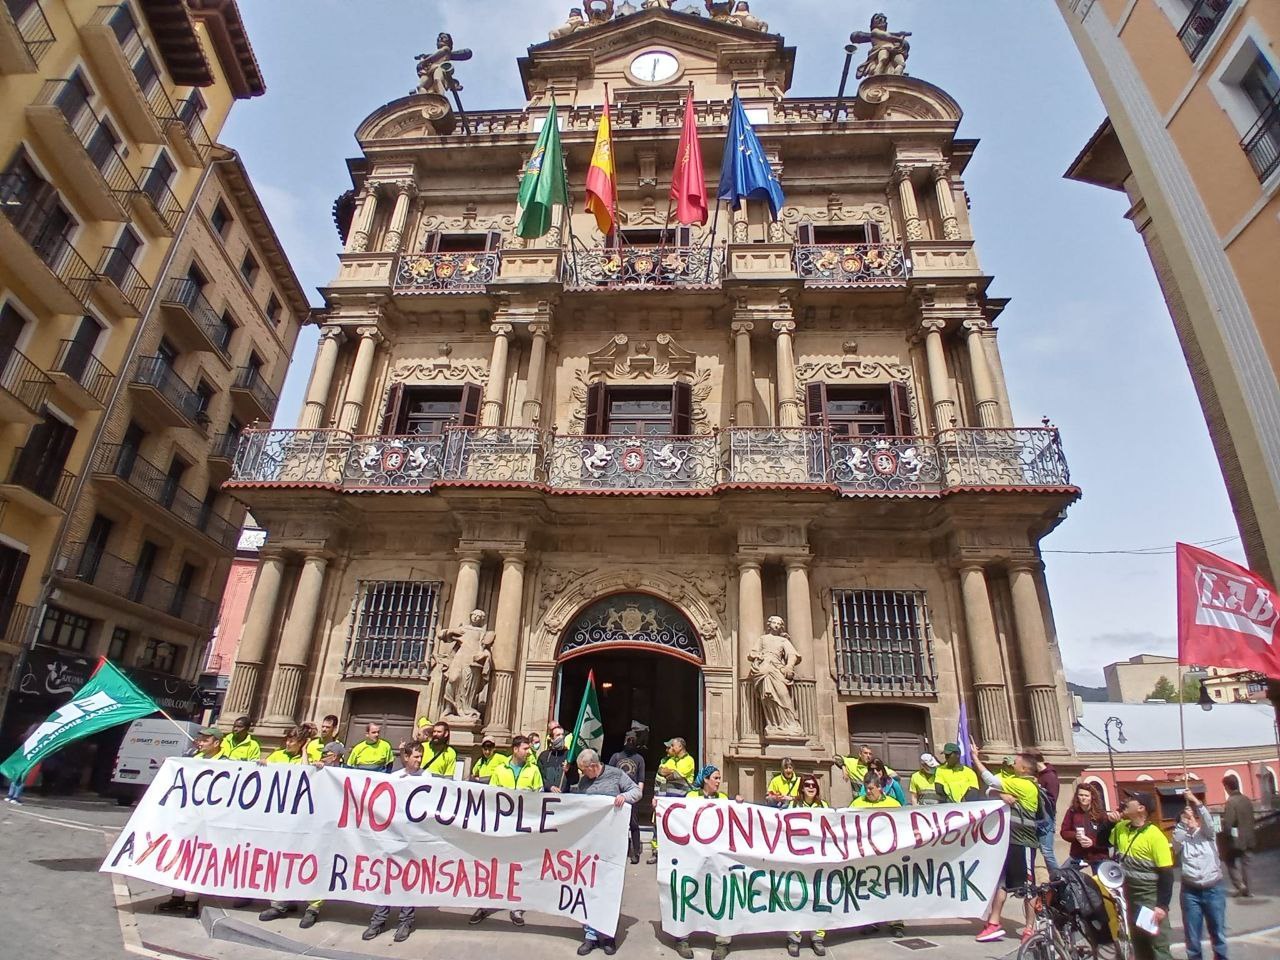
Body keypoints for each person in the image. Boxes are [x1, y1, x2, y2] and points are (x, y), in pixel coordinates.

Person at [261, 741, 346, 928]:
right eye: (322, 753)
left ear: (336, 757)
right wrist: (305, 752)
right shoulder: (316, 770)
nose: (322, 757)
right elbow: (301, 775)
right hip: (302, 825)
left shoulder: (342, 774)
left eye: (327, 754)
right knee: (288, 862)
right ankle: (280, 904)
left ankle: (313, 908)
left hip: (325, 829)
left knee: (317, 867)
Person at [570, 749, 641, 956]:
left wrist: (623, 797)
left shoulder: (616, 774)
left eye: (584, 770)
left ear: (593, 766)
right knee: (588, 888)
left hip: (612, 845)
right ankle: (590, 936)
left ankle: (608, 934)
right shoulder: (585, 781)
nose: (583, 774)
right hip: (590, 844)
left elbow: (636, 792)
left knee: (609, 888)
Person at [969, 744, 1039, 944]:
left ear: (1024, 769)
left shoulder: (1024, 785)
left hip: (1024, 843)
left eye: (1015, 763)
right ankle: (993, 923)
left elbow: (990, 781)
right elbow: (990, 791)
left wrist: (975, 758)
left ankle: (1030, 929)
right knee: (1002, 882)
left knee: (1028, 886)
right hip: (1008, 842)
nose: (1012, 764)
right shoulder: (1016, 782)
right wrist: (1000, 794)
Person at [472, 736, 542, 927]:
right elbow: (491, 796)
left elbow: (539, 797)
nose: (528, 751)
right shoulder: (500, 770)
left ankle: (516, 906)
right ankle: (485, 904)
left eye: (529, 748)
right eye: (525, 748)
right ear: (515, 749)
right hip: (501, 826)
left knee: (519, 866)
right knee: (494, 864)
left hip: (523, 827)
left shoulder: (533, 770)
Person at [154, 727, 224, 916]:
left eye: (205, 740)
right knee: (179, 855)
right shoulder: (193, 758)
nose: (200, 743)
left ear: (216, 743)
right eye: (200, 739)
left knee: (197, 858)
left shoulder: (225, 763)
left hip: (207, 820)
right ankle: (177, 895)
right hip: (187, 817)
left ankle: (192, 900)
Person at [362, 743, 426, 943]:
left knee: (409, 879)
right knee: (387, 877)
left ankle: (405, 921)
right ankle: (378, 919)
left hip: (414, 837)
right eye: (416, 756)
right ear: (406, 757)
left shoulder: (427, 777)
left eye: (421, 756)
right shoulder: (394, 778)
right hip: (393, 835)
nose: (419, 760)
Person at [1109, 790, 1174, 960]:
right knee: (1140, 945)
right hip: (1131, 898)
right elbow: (1101, 842)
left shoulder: (1155, 835)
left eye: (1130, 799)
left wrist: (1162, 905)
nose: (1125, 801)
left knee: (1158, 947)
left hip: (1149, 899)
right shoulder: (1121, 828)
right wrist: (1109, 823)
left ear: (1141, 808)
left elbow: (1167, 874)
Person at [1173, 790, 1228, 960]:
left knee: (1218, 931)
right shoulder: (1182, 841)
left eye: (1192, 818)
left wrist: (1195, 801)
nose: (1190, 821)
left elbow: (1209, 822)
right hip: (1191, 892)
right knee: (1192, 936)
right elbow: (1176, 840)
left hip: (1213, 888)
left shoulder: (1207, 835)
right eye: (1186, 819)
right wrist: (1182, 822)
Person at [787, 775, 830, 956]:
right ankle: (794, 937)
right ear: (802, 788)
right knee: (796, 896)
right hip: (798, 858)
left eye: (814, 785)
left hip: (818, 858)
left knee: (819, 897)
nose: (811, 787)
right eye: (807, 785)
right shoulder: (793, 805)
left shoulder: (824, 806)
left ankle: (817, 936)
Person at [650, 737, 697, 863]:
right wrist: (671, 772)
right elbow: (661, 771)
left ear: (680, 747)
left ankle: (677, 853)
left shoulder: (689, 760)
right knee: (659, 826)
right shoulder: (669, 759)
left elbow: (676, 775)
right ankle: (656, 852)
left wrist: (671, 773)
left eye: (672, 746)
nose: (669, 748)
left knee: (678, 827)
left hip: (680, 801)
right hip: (665, 799)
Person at [608, 732, 646, 863]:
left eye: (633, 740)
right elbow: (608, 775)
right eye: (628, 740)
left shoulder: (639, 759)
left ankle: (636, 852)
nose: (630, 742)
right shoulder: (616, 757)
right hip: (616, 794)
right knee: (616, 824)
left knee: (633, 824)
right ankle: (617, 851)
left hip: (631, 795)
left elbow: (641, 779)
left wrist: (639, 794)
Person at [1060, 781, 1112, 872]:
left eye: (1086, 796)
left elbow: (1107, 837)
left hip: (1098, 854)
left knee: (1101, 879)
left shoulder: (1101, 814)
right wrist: (1076, 836)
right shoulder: (1072, 811)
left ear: (1092, 797)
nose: (1083, 798)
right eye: (1081, 795)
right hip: (1078, 854)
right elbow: (1064, 831)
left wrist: (1092, 842)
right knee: (1062, 875)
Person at [1220, 775, 1255, 898]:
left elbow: (1229, 822)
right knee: (1246, 863)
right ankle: (1248, 890)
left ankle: (1240, 885)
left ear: (1227, 787)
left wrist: (1225, 833)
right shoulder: (1246, 799)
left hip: (1236, 839)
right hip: (1249, 837)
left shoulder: (1231, 802)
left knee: (1229, 860)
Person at [1032, 750, 1061, 874]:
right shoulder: (1041, 775)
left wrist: (1038, 789)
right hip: (1041, 817)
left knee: (1046, 850)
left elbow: (1051, 800)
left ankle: (1057, 876)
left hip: (1046, 817)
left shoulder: (1050, 777)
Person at [539, 723, 572, 792]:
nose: (561, 737)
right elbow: (539, 777)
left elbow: (575, 780)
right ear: (551, 739)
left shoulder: (569, 755)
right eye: (558, 735)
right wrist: (549, 787)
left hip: (564, 796)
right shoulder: (544, 756)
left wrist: (569, 770)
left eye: (562, 735)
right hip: (546, 795)